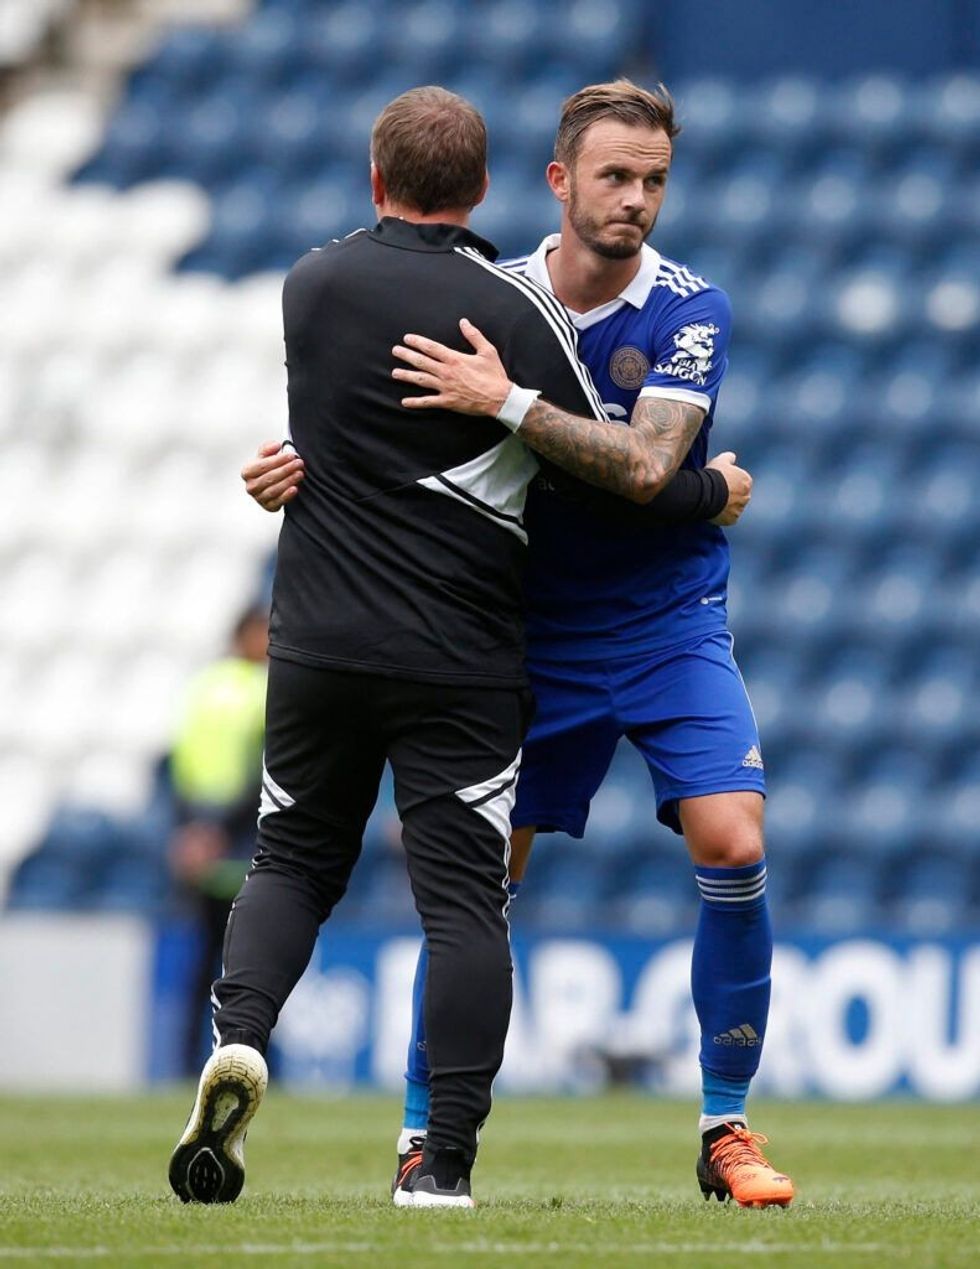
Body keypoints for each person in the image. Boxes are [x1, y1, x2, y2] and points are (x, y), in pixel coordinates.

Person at [170, 85, 741, 1212]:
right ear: (489, 187)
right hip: (460, 656)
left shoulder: (311, 285)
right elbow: (621, 476)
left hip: (319, 638)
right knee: (464, 908)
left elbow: (336, 433)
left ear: (375, 178)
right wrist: (706, 493)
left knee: (290, 860)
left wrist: (284, 471)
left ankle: (239, 1038)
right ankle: (441, 1166)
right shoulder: (515, 318)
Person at [166, 604, 268, 1076]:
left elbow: (183, 764)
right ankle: (251, 1060)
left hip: (202, 843)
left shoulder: (202, 687)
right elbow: (262, 770)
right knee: (250, 961)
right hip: (242, 843)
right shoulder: (266, 689)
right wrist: (220, 832)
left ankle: (188, 1062)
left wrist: (193, 831)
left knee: (203, 957)